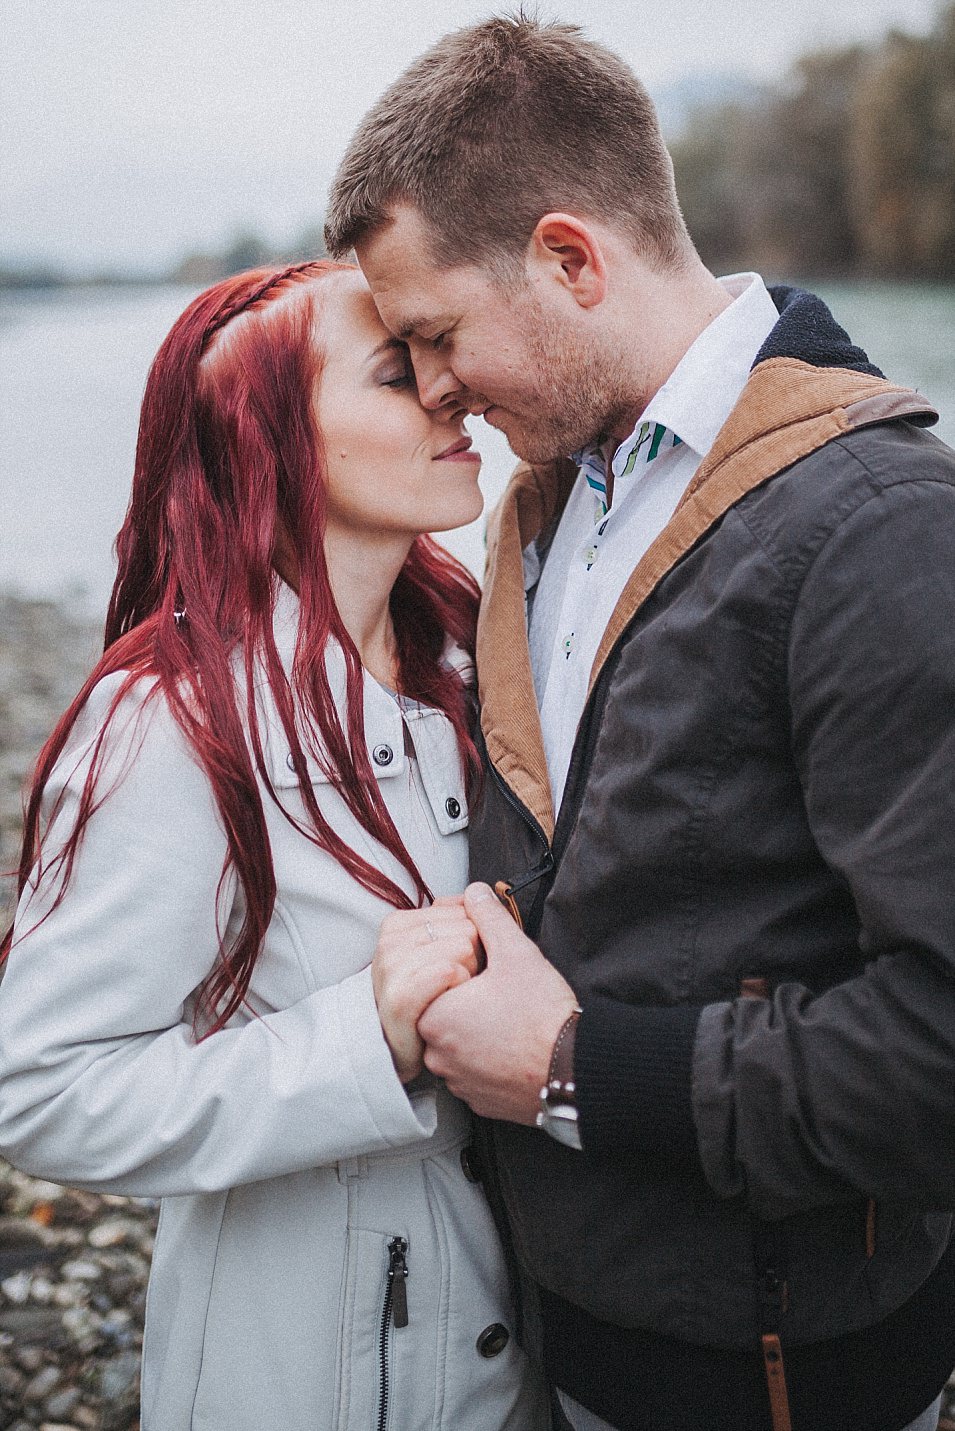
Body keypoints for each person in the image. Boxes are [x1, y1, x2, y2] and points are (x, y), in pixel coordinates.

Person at [324, 15, 955, 1431]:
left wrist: (570, 1069)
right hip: (565, 1339)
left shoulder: (878, 531)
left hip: (784, 1384)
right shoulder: (545, 502)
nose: (432, 391)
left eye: (435, 336)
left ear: (567, 259)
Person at [0, 260, 548, 1431]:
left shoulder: (480, 666)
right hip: (313, 1382)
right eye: (398, 373)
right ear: (270, 444)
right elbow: (42, 1090)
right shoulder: (173, 721)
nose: (451, 391)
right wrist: (368, 1039)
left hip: (521, 1358)